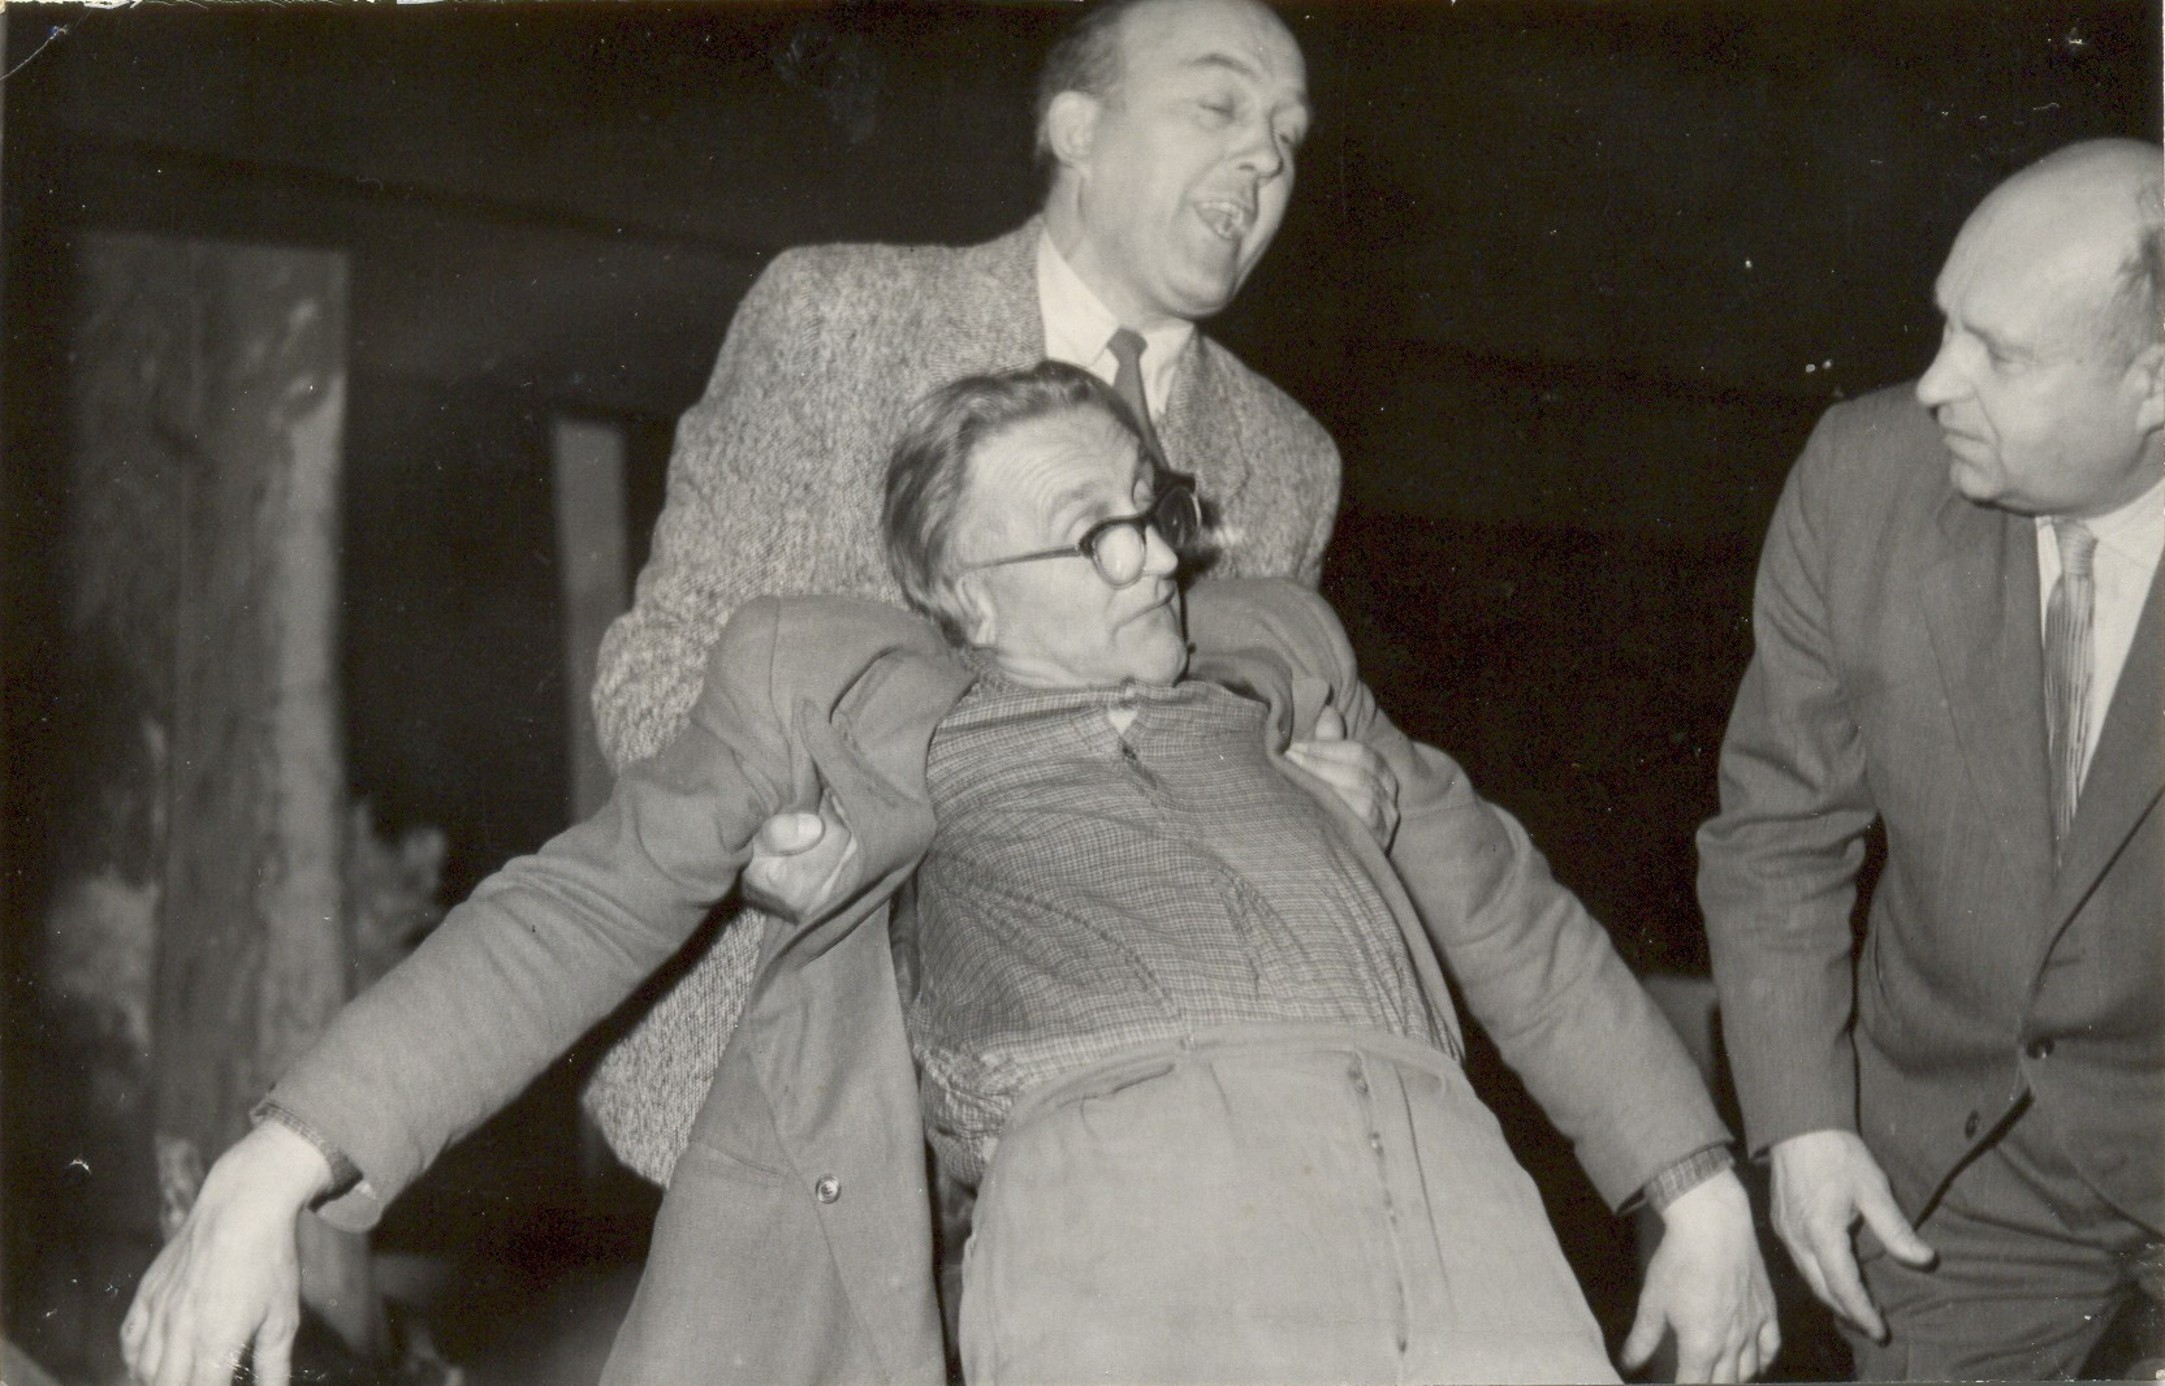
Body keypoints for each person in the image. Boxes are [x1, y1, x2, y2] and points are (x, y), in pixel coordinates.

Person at [125, 363, 1778, 1386]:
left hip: (1445, 1182)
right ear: (959, 594)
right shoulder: (838, 686)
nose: (1155, 557)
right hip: (1129, 1209)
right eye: (1091, 532)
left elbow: (1506, 907)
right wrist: (276, 1164)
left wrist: (1692, 1187)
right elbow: (583, 898)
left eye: (1152, 509)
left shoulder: (1282, 653)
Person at [579, 0, 1361, 1189]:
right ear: (1075, 130)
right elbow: (662, 662)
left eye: (1287, 134)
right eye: (1218, 106)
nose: (1264, 154)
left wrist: (1321, 802)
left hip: (1126, 1123)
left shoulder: (1290, 459)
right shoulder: (835, 317)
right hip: (804, 1084)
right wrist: (759, 841)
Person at [1698, 137, 2164, 1379]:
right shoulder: (1860, 482)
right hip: (1956, 1169)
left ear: (2153, 381)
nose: (1931, 385)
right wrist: (1801, 1124)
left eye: (1997, 355)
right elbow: (1774, 838)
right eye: (1945, 324)